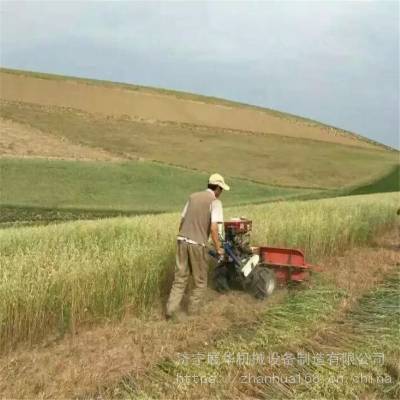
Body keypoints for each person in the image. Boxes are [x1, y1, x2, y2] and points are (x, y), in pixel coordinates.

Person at [165, 173, 230, 320]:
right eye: (222, 189)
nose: (222, 193)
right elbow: (214, 229)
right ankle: (193, 313)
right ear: (218, 188)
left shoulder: (192, 197)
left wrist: (185, 235)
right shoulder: (215, 202)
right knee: (200, 282)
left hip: (182, 240)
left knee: (180, 278)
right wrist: (219, 248)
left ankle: (171, 310)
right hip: (197, 244)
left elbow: (182, 221)